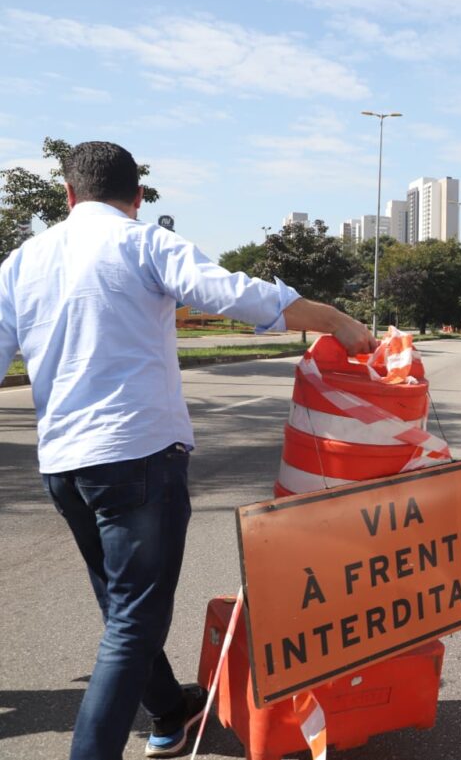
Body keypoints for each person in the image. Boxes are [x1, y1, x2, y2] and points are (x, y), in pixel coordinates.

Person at [0, 142, 376, 760]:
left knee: (122, 609)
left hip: (63, 466)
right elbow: (232, 294)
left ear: (68, 195)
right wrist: (331, 317)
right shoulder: (145, 243)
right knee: (133, 622)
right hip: (135, 458)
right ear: (137, 197)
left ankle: (169, 717)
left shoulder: (22, 261)